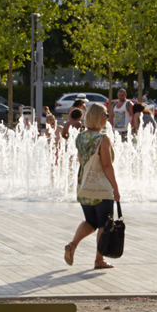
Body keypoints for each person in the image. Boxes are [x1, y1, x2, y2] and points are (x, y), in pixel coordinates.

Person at [64, 102, 121, 270]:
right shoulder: (103, 139)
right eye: (105, 115)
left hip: (84, 186)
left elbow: (81, 161)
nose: (107, 118)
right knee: (103, 224)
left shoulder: (80, 137)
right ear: (98, 117)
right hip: (101, 188)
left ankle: (73, 244)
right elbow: (106, 165)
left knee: (90, 221)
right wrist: (116, 189)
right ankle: (99, 260)